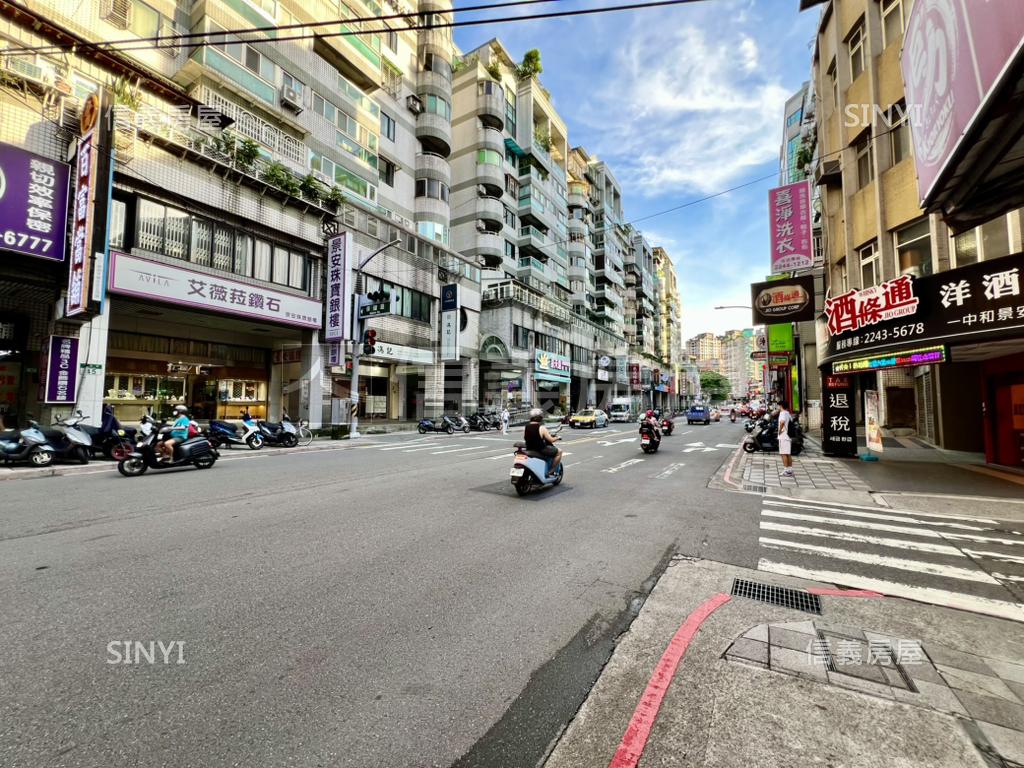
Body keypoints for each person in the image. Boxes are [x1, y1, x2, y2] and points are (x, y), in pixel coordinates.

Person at [524, 408, 561, 475]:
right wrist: (557, 437)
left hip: (530, 448)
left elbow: (526, 438)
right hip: (540, 450)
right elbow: (551, 440)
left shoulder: (526, 427)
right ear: (540, 418)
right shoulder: (541, 428)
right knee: (559, 452)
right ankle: (552, 470)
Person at [777, 399, 794, 477]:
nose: (778, 407)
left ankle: (786, 470)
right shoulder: (788, 413)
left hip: (783, 436)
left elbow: (782, 422)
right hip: (788, 436)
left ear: (781, 406)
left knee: (783, 454)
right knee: (788, 454)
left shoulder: (783, 413)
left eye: (779, 406)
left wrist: (780, 430)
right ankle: (790, 469)